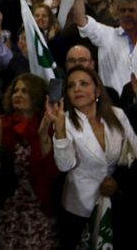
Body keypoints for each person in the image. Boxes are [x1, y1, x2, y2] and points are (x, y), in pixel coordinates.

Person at [46, 66, 137, 250]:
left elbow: (134, 153)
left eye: (83, 84)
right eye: (71, 86)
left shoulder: (117, 115)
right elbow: (65, 166)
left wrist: (119, 182)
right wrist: (60, 131)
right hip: (79, 209)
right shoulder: (65, 121)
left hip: (117, 202)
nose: (77, 89)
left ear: (97, 90)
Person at [0, 73, 60, 249]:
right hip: (7, 206)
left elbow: (52, 172)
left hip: (39, 204)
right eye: (15, 90)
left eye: (25, 91)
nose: (17, 95)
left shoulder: (47, 125)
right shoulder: (0, 123)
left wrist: (43, 138)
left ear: (36, 96)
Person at [72, 0, 137, 93]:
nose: (127, 14)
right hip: (113, 107)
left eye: (131, 10)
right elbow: (80, 19)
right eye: (123, 11)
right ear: (117, 13)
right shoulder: (106, 35)